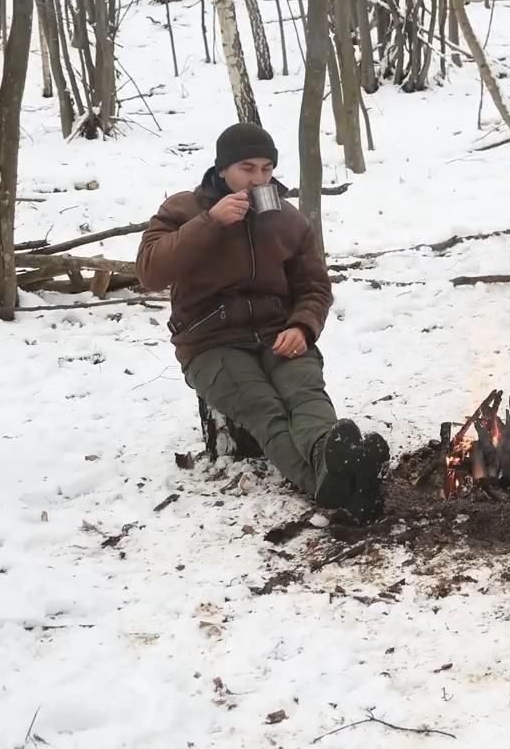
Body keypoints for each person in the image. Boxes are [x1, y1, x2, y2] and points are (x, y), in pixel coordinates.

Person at [136, 121, 389, 522]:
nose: (258, 179)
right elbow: (149, 271)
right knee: (264, 408)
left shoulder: (286, 218)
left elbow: (314, 286)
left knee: (304, 391)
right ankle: (336, 484)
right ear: (222, 170)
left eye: (266, 169)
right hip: (211, 341)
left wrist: (302, 326)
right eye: (247, 169)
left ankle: (331, 455)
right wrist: (211, 222)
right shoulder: (183, 209)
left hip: (276, 332)